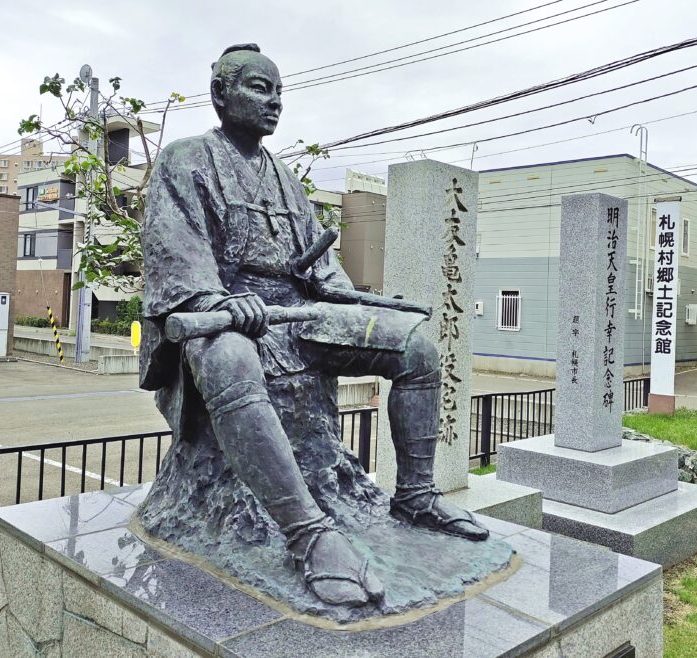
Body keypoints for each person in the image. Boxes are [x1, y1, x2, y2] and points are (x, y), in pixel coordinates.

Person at [140, 43, 487, 609]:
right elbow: (176, 257)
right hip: (220, 317)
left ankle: (416, 496)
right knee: (229, 359)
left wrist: (348, 294)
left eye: (279, 92)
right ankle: (308, 534)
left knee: (417, 351)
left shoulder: (284, 177)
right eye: (259, 88)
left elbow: (319, 265)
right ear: (221, 94)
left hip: (294, 314)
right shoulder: (185, 159)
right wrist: (222, 300)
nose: (274, 102)